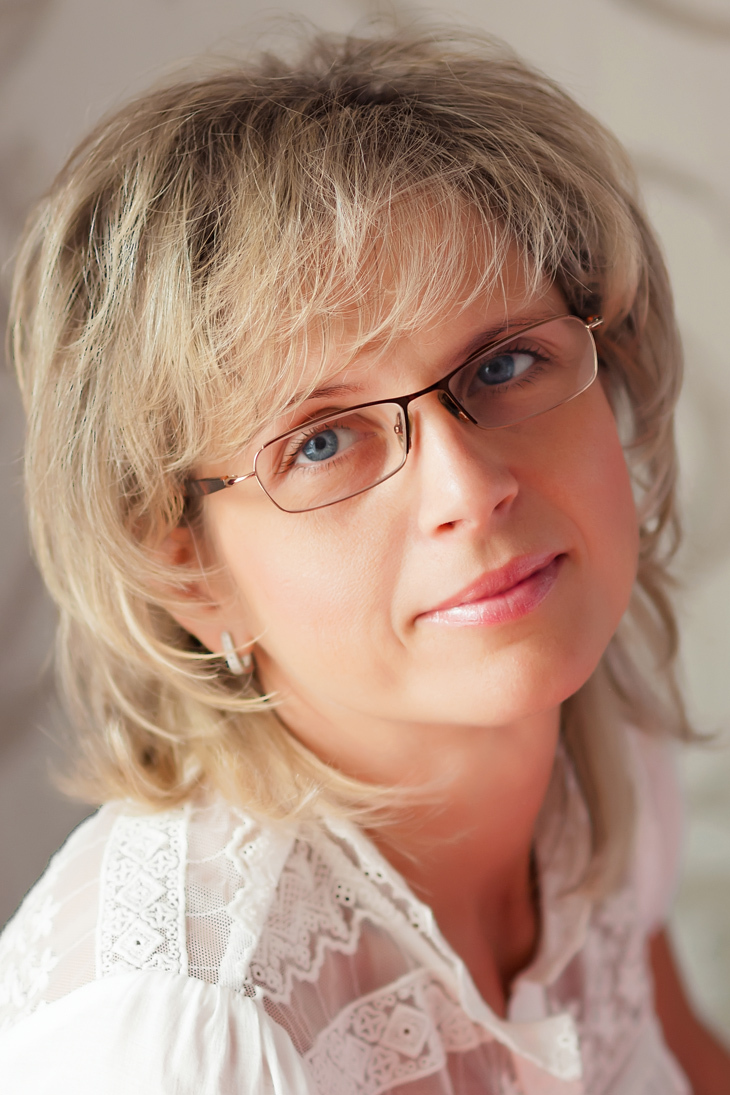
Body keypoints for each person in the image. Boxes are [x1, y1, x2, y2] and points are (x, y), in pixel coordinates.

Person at [0, 24, 728, 1094]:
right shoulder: (183, 1034)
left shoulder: (602, 739)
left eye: (505, 363)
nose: (470, 490)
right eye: (323, 442)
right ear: (187, 573)